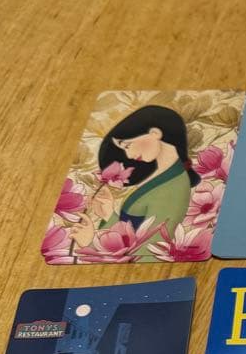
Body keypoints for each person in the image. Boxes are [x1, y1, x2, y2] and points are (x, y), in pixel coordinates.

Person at [70, 105, 200, 255]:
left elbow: (149, 253)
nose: (129, 155)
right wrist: (108, 214)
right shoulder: (162, 175)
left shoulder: (174, 187)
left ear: (155, 133)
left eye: (127, 145)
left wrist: (91, 243)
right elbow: (135, 233)